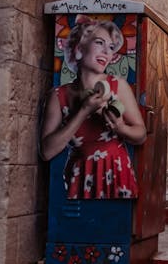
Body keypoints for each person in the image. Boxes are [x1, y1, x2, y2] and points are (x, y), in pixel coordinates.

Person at [41, 18, 146, 198]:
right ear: (79, 49)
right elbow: (46, 152)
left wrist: (120, 128)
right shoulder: (58, 95)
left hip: (117, 174)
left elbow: (141, 134)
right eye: (99, 43)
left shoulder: (118, 86)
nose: (107, 51)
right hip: (80, 177)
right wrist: (83, 111)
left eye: (112, 47)